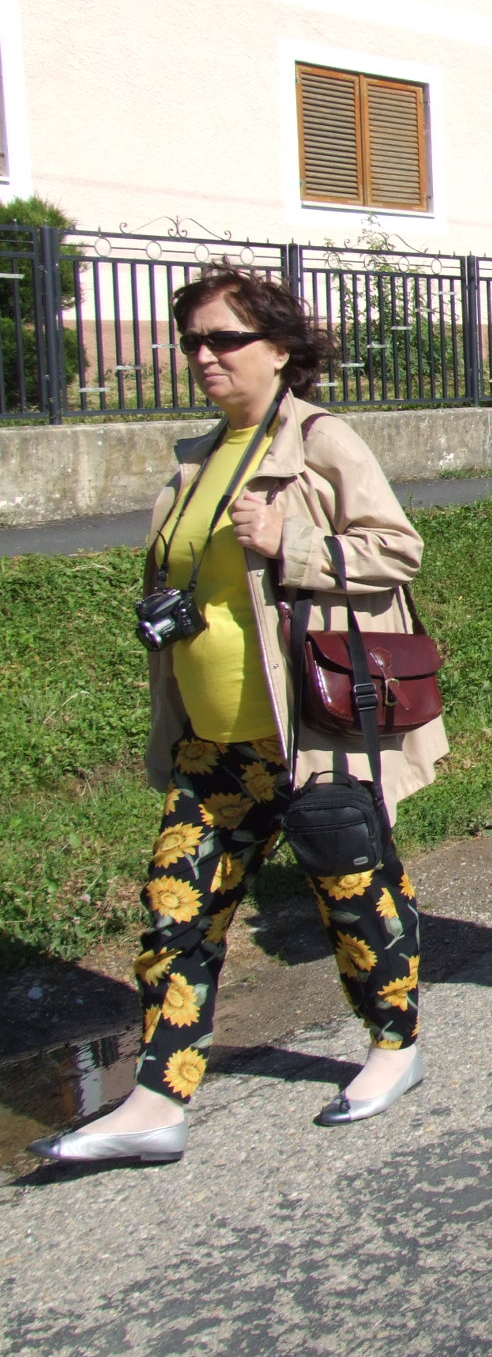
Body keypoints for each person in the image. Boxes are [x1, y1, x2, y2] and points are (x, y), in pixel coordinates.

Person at [31, 267, 444, 1166]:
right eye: (193, 342)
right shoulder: (199, 457)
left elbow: (398, 550)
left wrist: (290, 541)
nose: (205, 356)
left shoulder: (322, 440)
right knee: (175, 908)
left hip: (309, 730)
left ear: (281, 349)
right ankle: (157, 1100)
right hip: (211, 736)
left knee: (354, 893)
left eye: (224, 339)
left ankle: (395, 1045)